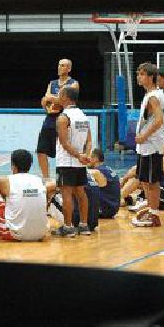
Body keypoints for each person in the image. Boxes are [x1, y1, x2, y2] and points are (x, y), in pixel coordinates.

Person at [0, 149, 51, 242]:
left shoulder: (6, 181)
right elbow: (52, 187)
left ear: (13, 165)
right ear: (30, 165)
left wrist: (0, 191)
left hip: (15, 235)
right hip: (41, 233)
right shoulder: (38, 180)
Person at [129, 62, 164, 227]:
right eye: (138, 74)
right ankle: (151, 209)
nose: (139, 77)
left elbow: (159, 120)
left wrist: (143, 136)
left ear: (151, 77)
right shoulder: (150, 95)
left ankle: (154, 214)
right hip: (146, 147)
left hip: (150, 145)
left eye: (142, 74)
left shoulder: (153, 97)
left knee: (151, 182)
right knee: (144, 180)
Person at [53, 85, 94, 236]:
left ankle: (68, 227)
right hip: (80, 162)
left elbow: (64, 143)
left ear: (65, 97)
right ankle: (84, 225)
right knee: (81, 193)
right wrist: (86, 155)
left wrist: (78, 156)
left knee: (67, 194)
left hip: (67, 161)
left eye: (59, 94)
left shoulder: (63, 117)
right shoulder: (83, 116)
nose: (57, 96)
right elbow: (89, 140)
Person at [47, 148, 120, 230]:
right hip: (96, 219)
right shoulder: (107, 170)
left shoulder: (95, 172)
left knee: (51, 193)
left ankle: (43, 221)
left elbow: (48, 188)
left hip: (104, 210)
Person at [35, 59, 79, 179]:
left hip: (65, 118)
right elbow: (45, 100)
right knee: (41, 150)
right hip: (50, 119)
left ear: (69, 68)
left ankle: (62, 178)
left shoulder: (74, 83)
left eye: (63, 66)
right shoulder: (52, 83)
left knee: (62, 150)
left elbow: (64, 100)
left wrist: (52, 99)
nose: (60, 67)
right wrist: (48, 105)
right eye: (59, 65)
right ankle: (46, 178)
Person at [121, 142, 164, 216]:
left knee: (138, 177)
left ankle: (118, 199)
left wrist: (123, 182)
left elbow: (136, 170)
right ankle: (130, 199)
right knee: (147, 180)